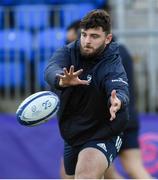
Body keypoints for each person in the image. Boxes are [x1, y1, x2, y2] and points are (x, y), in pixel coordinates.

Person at [45, 9, 129, 179]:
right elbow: (50, 69)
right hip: (74, 133)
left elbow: (119, 87)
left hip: (104, 131)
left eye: (94, 36)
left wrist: (117, 101)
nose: (87, 41)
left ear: (108, 39)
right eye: (84, 34)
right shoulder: (68, 52)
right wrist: (61, 80)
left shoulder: (112, 63)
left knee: (85, 175)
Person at [104, 40, 152, 179]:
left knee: (105, 171)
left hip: (110, 119)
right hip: (128, 116)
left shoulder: (107, 54)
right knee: (133, 168)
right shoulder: (122, 50)